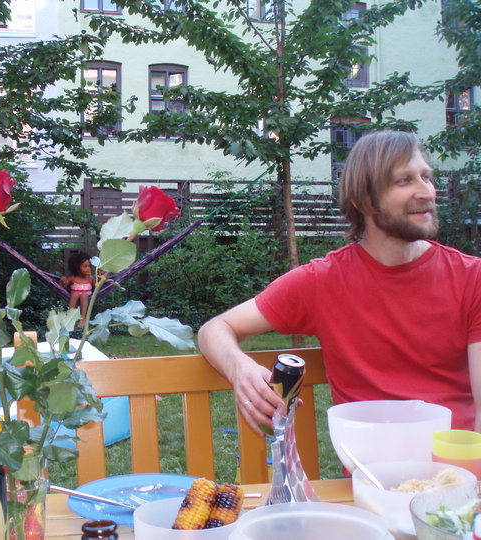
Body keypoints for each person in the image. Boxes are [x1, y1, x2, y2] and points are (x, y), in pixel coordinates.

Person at [198, 130, 481, 437]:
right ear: (364, 201)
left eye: (426, 177)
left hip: (460, 460)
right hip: (369, 464)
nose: (427, 192)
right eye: (404, 180)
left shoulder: (471, 278)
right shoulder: (323, 281)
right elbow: (215, 329)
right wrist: (240, 368)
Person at [59, 251, 94, 328]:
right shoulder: (73, 278)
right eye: (85, 266)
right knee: (74, 294)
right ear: (77, 268)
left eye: (89, 266)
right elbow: (62, 287)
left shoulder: (90, 279)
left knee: (83, 295)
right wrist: (62, 280)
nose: (88, 268)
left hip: (86, 295)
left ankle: (83, 318)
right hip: (75, 295)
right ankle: (70, 316)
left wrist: (100, 278)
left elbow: (97, 286)